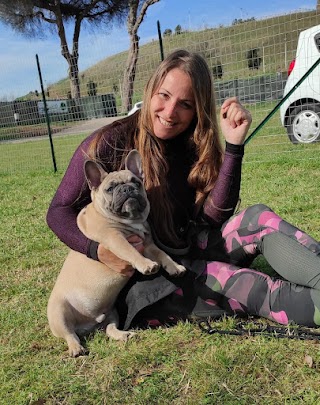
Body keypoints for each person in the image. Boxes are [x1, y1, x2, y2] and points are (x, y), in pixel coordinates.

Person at [47, 49, 320, 331]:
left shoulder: (192, 141)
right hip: (149, 282)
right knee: (252, 284)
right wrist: (97, 250)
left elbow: (214, 218)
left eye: (185, 104)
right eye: (164, 96)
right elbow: (57, 212)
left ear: (197, 110)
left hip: (188, 247)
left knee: (260, 218)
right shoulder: (110, 140)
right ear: (151, 90)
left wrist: (234, 147)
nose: (170, 112)